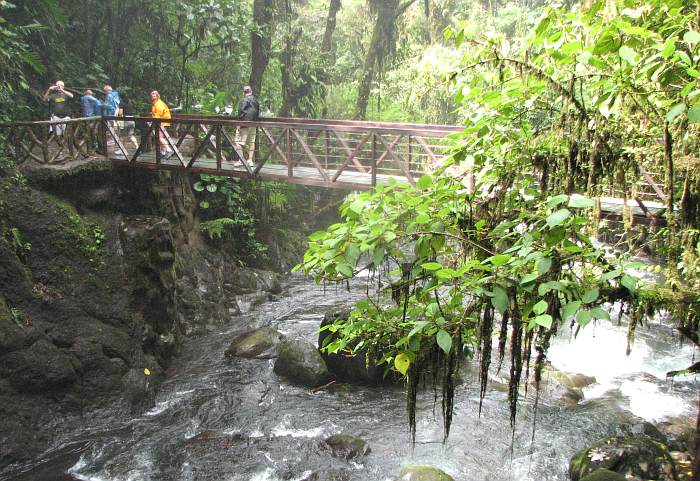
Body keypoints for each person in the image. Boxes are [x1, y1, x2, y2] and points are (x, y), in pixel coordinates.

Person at [234, 85, 260, 164]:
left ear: (244, 93)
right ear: (251, 91)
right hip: (253, 124)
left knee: (238, 142)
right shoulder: (256, 101)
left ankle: (241, 160)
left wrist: (239, 124)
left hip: (244, 124)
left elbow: (241, 112)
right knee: (251, 142)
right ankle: (250, 160)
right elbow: (257, 112)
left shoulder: (243, 101)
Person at [150, 90, 172, 157]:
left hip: (163, 122)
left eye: (154, 95)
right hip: (162, 121)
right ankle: (163, 152)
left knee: (159, 138)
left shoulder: (159, 104)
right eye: (152, 95)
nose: (152, 97)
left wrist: (152, 122)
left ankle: (169, 150)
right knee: (160, 137)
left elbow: (158, 115)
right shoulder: (155, 103)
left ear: (157, 96)